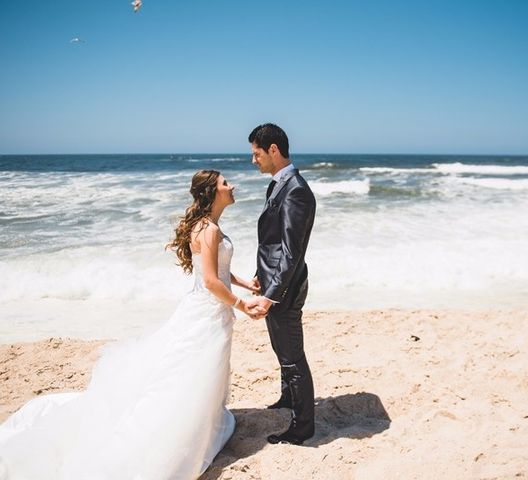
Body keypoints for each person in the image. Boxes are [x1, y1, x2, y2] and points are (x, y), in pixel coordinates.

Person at [0, 170, 262, 479]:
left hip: (206, 309)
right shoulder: (209, 230)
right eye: (224, 184)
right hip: (207, 309)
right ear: (212, 192)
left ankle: (206, 419)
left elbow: (218, 269)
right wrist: (242, 305)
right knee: (190, 369)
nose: (232, 187)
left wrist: (245, 284)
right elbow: (209, 281)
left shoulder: (208, 227)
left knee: (198, 368)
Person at [245, 123, 317, 445]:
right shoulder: (278, 184)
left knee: (292, 356)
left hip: (285, 288)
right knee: (280, 349)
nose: (254, 160)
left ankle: (303, 427)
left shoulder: (296, 190)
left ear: (274, 150)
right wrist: (260, 273)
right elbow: (272, 243)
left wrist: (271, 296)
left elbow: (291, 253)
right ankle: (288, 398)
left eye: (256, 154)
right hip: (274, 282)